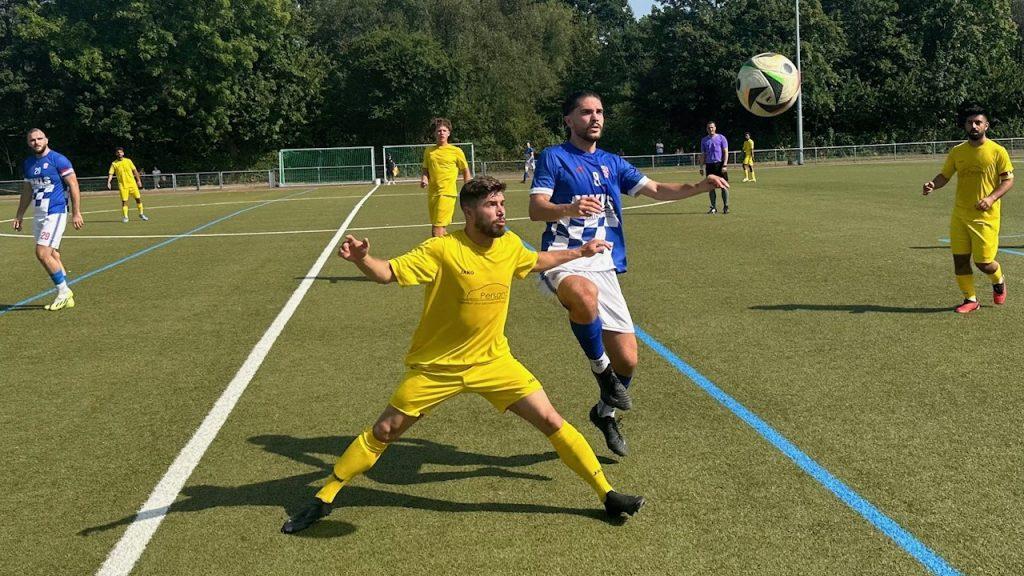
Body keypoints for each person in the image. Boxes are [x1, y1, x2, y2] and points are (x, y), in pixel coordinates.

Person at [281, 176, 645, 534]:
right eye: (492, 205)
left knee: (552, 421)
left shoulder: (509, 245)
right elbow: (387, 272)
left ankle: (608, 494)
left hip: (494, 362)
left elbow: (536, 260)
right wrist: (363, 259)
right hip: (437, 368)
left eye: (502, 204)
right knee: (384, 430)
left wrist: (580, 252)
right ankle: (324, 497)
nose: (501, 212)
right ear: (470, 212)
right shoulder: (441, 250)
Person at [528, 90, 728, 456]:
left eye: (600, 111)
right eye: (586, 112)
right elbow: (536, 209)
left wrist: (700, 186)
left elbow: (655, 188)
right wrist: (568, 207)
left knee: (629, 359)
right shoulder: (553, 157)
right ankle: (602, 373)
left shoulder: (613, 162)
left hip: (603, 261)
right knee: (584, 298)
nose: (595, 118)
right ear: (568, 120)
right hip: (564, 255)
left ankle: (604, 413)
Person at [922, 103, 1014, 313]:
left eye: (978, 122)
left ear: (986, 125)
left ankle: (998, 278)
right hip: (960, 215)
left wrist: (991, 198)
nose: (974, 126)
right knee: (960, 260)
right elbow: (945, 175)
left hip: (986, 217)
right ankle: (970, 299)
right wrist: (933, 185)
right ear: (965, 126)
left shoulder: (997, 151)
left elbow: (1008, 181)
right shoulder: (958, 152)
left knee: (984, 262)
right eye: (970, 122)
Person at [12, 128, 84, 311]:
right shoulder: (28, 163)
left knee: (42, 252)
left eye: (39, 138)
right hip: (39, 214)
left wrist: (76, 212)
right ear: (28, 143)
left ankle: (63, 292)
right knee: (52, 254)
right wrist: (19, 214)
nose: (36, 142)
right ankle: (67, 295)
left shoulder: (58, 159)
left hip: (56, 212)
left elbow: (73, 184)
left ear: (46, 139)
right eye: (32, 140)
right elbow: (27, 191)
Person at [420, 117, 471, 237]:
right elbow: (425, 169)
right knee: (440, 228)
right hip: (433, 194)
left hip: (447, 193)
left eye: (444, 130)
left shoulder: (456, 151)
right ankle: (451, 250)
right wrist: (424, 178)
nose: (441, 133)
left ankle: (437, 255)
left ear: (449, 133)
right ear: (434, 133)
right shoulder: (429, 151)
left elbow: (465, 170)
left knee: (436, 230)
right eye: (438, 131)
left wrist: (469, 187)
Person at [106, 147, 149, 222]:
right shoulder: (114, 163)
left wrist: (138, 180)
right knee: (124, 201)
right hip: (123, 186)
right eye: (118, 152)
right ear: (116, 154)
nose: (119, 153)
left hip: (132, 184)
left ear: (123, 153)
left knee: (138, 199)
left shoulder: (128, 161)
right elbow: (111, 173)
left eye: (121, 152)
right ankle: (125, 217)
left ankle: (141, 214)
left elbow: (135, 171)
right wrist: (109, 182)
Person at [699, 121, 729, 214]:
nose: (710, 129)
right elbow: (703, 154)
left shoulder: (721, 137)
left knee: (723, 186)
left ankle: (726, 206)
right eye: (708, 128)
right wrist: (701, 167)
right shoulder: (704, 140)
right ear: (706, 129)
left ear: (715, 128)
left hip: (719, 165)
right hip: (709, 166)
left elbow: (726, 152)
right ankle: (713, 207)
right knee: (711, 187)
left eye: (712, 127)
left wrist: (724, 164)